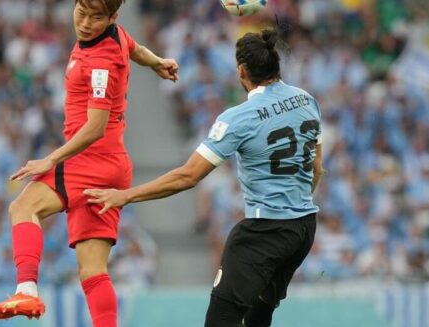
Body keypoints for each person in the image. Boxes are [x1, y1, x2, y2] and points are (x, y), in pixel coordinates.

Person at [84, 29, 323, 327]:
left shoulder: (239, 118)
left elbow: (188, 176)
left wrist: (125, 195)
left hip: (265, 230)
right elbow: (316, 169)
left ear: (241, 70)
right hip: (303, 227)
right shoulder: (306, 101)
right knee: (261, 311)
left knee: (222, 317)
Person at [0, 0, 178, 326]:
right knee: (92, 271)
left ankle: (26, 290)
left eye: (96, 17)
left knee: (23, 206)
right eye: (82, 13)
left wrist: (51, 158)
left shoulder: (100, 63)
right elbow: (135, 48)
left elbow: (94, 127)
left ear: (112, 18)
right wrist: (158, 62)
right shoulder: (116, 35)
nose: (86, 24)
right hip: (114, 163)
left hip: (89, 158)